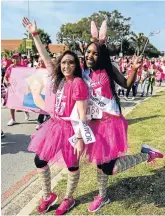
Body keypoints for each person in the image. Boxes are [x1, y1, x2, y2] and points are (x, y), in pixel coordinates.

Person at [81, 20, 164, 213]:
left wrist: (134, 69)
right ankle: (102, 196)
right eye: (88, 52)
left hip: (110, 123)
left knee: (110, 167)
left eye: (95, 53)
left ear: (101, 56)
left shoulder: (108, 70)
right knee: (100, 162)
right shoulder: (83, 73)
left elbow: (127, 84)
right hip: (94, 124)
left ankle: (146, 154)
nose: (90, 55)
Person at [22, 17, 92, 215]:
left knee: (72, 165)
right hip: (53, 126)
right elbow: (44, 57)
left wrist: (79, 138)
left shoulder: (78, 83)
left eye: (71, 63)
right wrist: (35, 34)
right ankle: (48, 196)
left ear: (76, 65)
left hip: (71, 129)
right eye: (63, 62)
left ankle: (68, 198)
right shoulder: (57, 78)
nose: (66, 66)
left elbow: (82, 113)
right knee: (39, 160)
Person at [4, 53, 30, 126]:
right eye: (14, 58)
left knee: (23, 103)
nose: (16, 59)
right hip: (12, 88)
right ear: (12, 60)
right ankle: (13, 119)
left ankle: (26, 112)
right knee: (11, 104)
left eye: (17, 58)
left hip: (21, 89)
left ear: (20, 59)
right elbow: (5, 77)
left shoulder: (23, 67)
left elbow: (28, 76)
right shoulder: (10, 68)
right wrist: (7, 82)